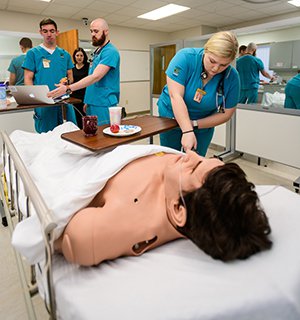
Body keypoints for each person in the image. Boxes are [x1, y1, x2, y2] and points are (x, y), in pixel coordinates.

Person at [55, 149, 272, 267]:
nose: (191, 154)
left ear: (178, 209)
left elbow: (78, 241)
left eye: (195, 166)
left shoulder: (129, 218)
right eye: (205, 158)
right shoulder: (176, 184)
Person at [157, 31, 240, 156]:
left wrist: (194, 125)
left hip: (203, 122)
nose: (216, 69)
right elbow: (176, 96)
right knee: (170, 158)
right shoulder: (185, 58)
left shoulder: (232, 77)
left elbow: (226, 114)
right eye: (212, 61)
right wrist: (187, 131)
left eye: (223, 65)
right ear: (206, 50)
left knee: (196, 161)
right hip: (171, 117)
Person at [48, 18, 120, 126]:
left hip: (103, 103)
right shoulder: (97, 52)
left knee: (103, 139)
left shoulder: (110, 52)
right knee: (93, 137)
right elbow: (92, 79)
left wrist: (68, 88)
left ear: (106, 31)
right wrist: (88, 100)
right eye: (91, 31)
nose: (92, 34)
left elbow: (95, 77)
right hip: (92, 103)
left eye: (96, 31)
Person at [23, 18, 76, 133]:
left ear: (57, 32)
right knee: (46, 137)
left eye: (52, 31)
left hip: (63, 101)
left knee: (70, 135)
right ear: (41, 32)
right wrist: (35, 99)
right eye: (45, 31)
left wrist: (67, 83)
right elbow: (28, 78)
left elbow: (70, 78)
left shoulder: (64, 54)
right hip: (44, 102)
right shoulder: (33, 53)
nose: (49, 34)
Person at [71, 47, 89, 128]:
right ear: (74, 56)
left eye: (81, 55)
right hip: (74, 97)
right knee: (76, 119)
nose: (79, 57)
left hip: (85, 96)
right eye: (77, 55)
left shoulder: (88, 67)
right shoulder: (72, 68)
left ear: (84, 56)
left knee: (85, 119)